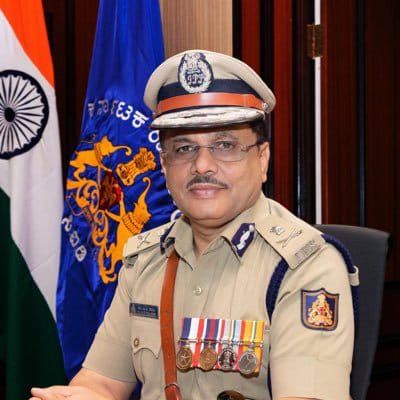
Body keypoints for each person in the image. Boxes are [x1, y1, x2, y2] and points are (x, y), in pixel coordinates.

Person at [30, 50, 357, 400]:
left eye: (225, 145)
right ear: (164, 165)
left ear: (262, 159)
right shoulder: (144, 260)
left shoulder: (305, 266)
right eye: (184, 148)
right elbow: (102, 383)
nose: (202, 166)